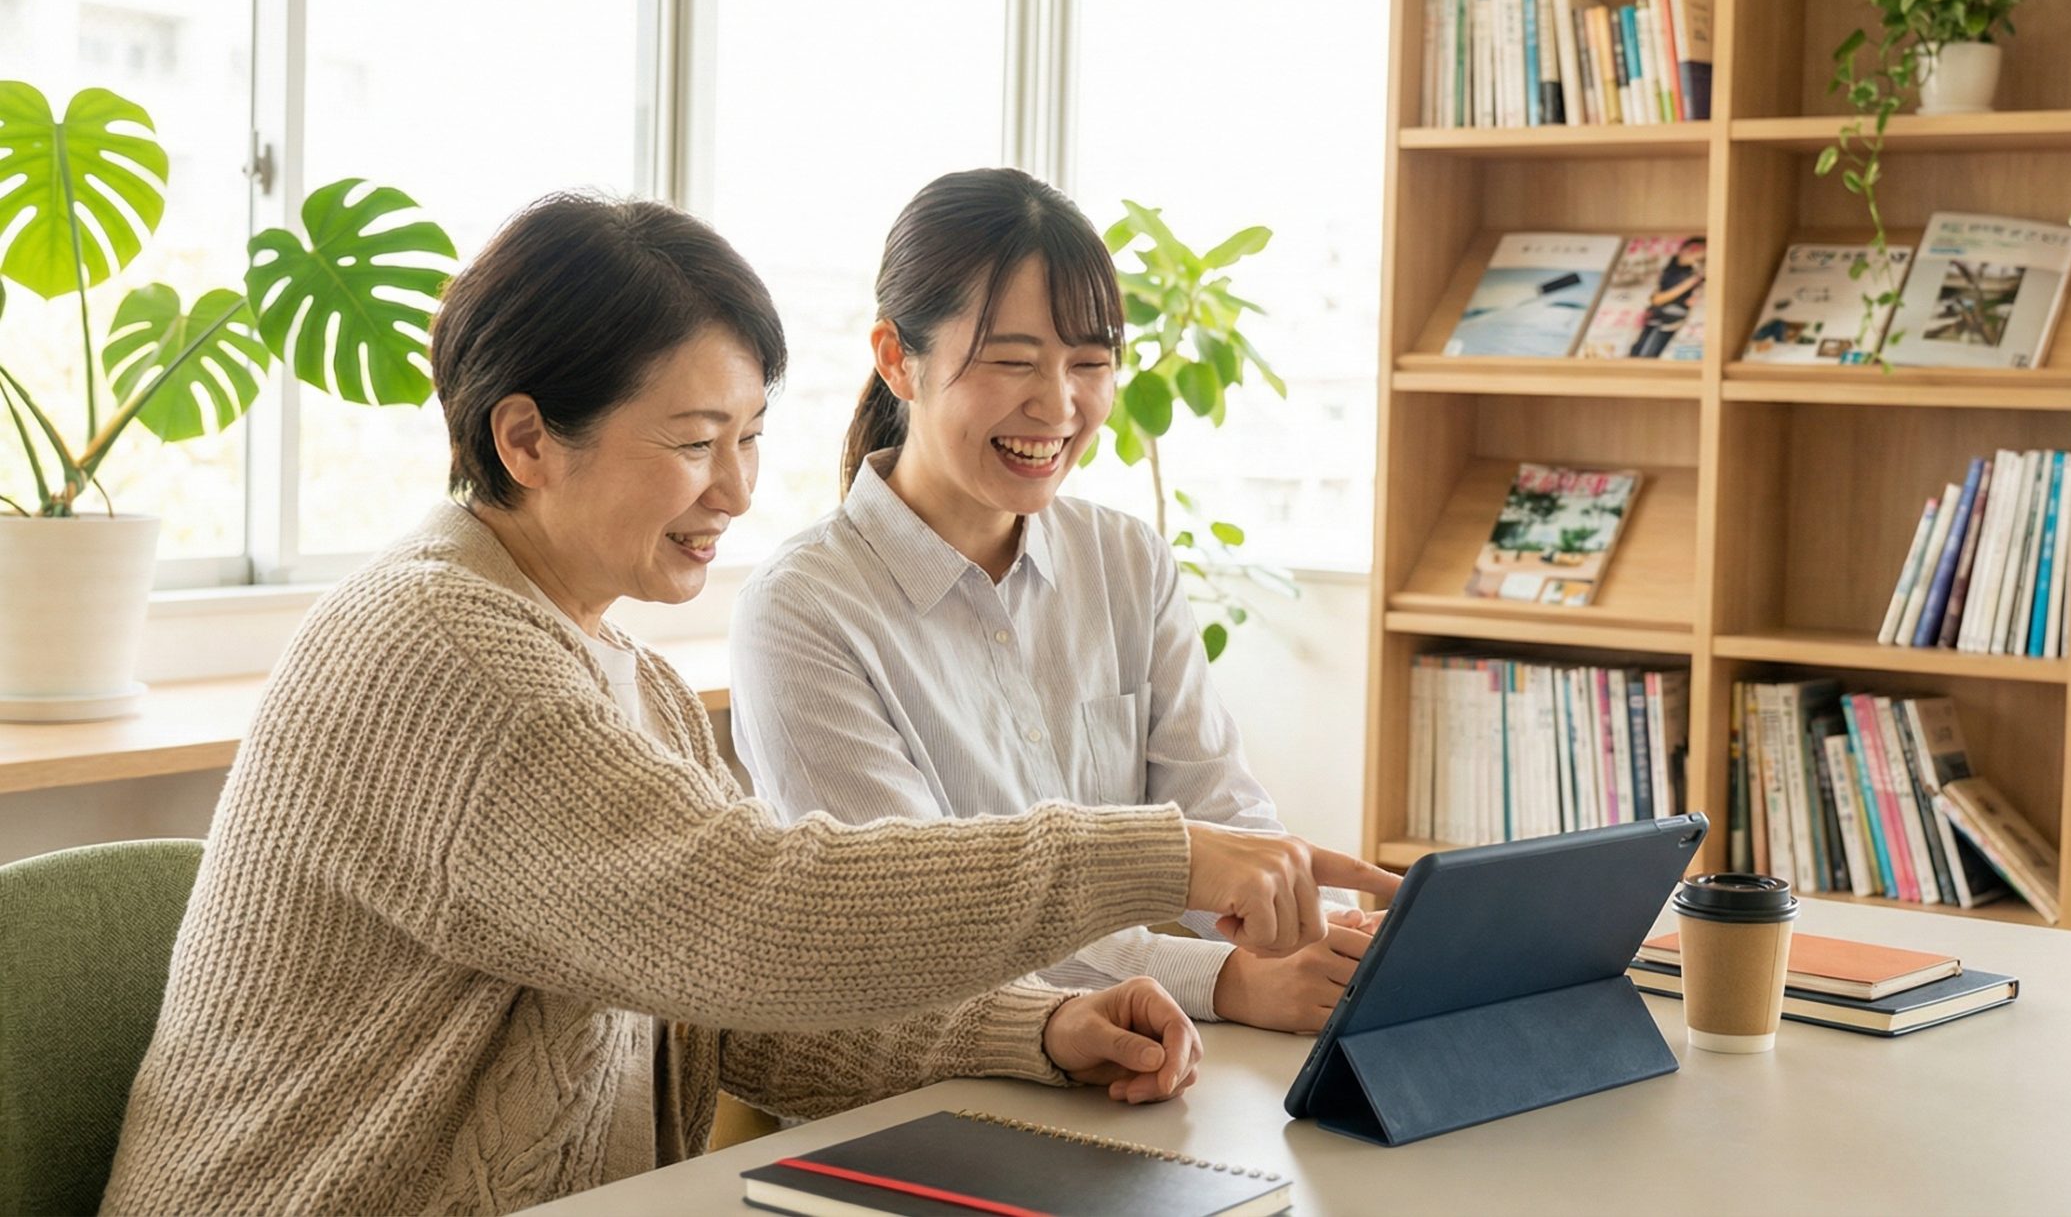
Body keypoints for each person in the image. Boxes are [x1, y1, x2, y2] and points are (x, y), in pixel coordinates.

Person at [101, 194, 1393, 1217]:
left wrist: (1041, 1027)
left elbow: (731, 1013)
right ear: (526, 439)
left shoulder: (630, 680)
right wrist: (1157, 855)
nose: (735, 489)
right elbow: (760, 916)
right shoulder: (436, 649)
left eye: (751, 435)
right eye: (691, 442)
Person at [729, 169, 1374, 1039]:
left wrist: (1319, 935)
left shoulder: (1126, 560)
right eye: (1012, 360)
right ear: (896, 358)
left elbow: (1222, 814)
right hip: (935, 1085)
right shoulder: (802, 611)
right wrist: (1225, 978)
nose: (1059, 404)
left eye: (1091, 363)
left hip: (1151, 1059)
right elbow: (923, 922)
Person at [1633, 235, 1708, 357]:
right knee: (1640, 351)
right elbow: (1657, 299)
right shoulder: (1667, 269)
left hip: (1674, 319)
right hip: (1655, 315)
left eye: (1702, 251)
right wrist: (1692, 281)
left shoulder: (1697, 273)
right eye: (1693, 249)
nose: (1696, 253)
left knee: (1652, 352)